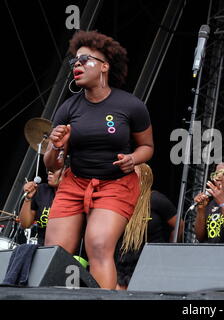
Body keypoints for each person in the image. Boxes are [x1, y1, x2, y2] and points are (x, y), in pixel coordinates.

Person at [43, 30, 154, 289]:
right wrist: (56, 148)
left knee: (99, 245)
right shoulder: (68, 108)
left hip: (115, 185)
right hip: (74, 183)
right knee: (55, 251)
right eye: (75, 62)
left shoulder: (131, 106)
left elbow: (147, 147)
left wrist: (133, 159)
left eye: (85, 60)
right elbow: (52, 165)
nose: (77, 65)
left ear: (104, 66)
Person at [115, 163, 183, 290]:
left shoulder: (155, 199)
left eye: (133, 175)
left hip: (149, 263)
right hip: (123, 262)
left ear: (144, 177)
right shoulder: (122, 200)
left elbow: (180, 225)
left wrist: (167, 248)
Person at [18, 169, 64, 246]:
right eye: (49, 168)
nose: (50, 172)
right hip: (43, 246)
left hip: (65, 248)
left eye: (55, 168)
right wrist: (28, 198)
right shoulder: (42, 190)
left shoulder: (75, 194)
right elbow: (25, 224)